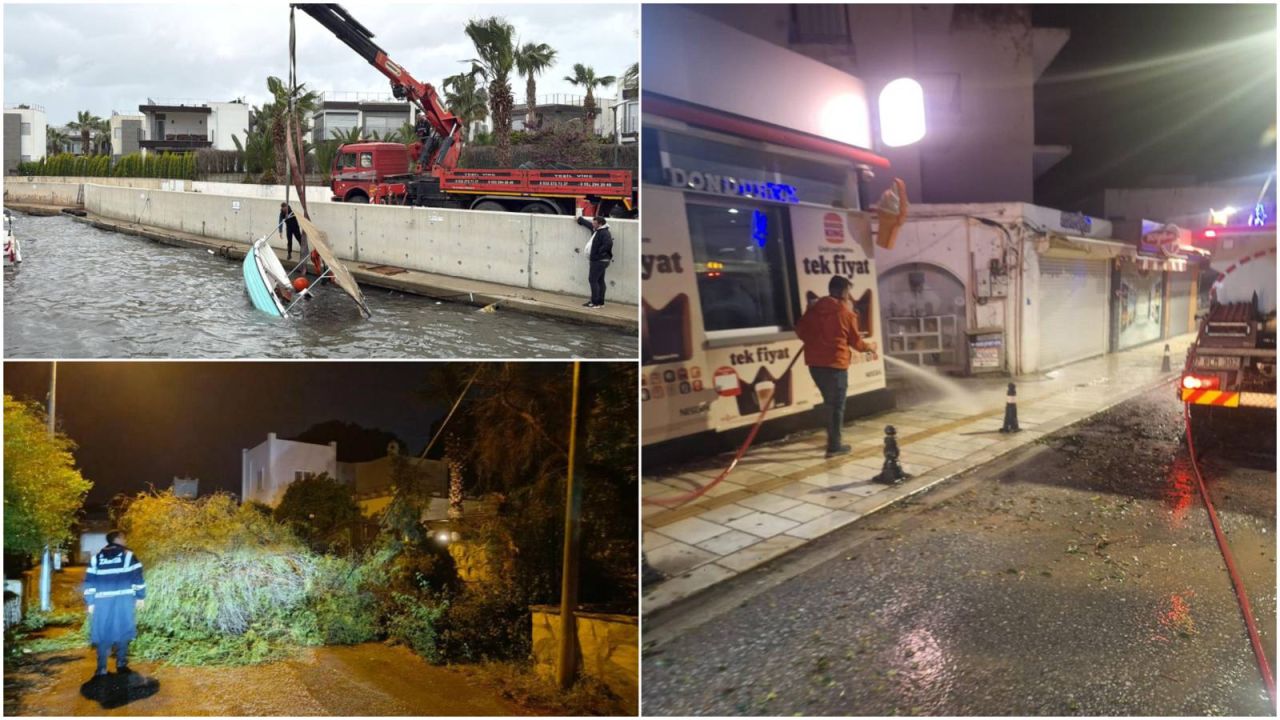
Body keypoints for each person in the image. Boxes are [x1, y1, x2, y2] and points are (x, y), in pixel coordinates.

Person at [794, 276, 879, 458]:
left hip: (815, 366)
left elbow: (800, 330)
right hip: (835, 366)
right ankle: (834, 446)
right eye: (848, 292)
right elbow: (856, 342)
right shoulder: (845, 313)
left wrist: (815, 341)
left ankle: (833, 440)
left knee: (829, 403)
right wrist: (869, 347)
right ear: (842, 292)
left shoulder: (814, 309)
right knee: (836, 406)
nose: (849, 296)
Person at [84, 531, 145, 677]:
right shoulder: (129, 556)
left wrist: (90, 602)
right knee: (123, 629)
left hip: (102, 601)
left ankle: (102, 668)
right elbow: (137, 578)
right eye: (124, 537)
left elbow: (89, 582)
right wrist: (140, 597)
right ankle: (121, 664)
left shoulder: (96, 558)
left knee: (103, 631)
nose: (125, 540)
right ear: (117, 539)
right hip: (124, 600)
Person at [576, 213, 614, 308]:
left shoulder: (604, 233)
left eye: (594, 223)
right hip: (601, 260)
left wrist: (597, 254)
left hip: (599, 260)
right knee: (600, 280)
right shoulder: (598, 230)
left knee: (593, 280)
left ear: (600, 224)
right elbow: (589, 225)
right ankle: (600, 302)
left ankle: (595, 302)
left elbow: (608, 244)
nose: (593, 224)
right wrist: (580, 219)